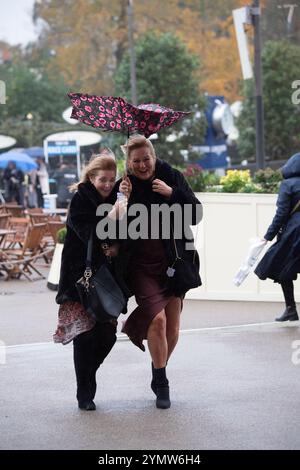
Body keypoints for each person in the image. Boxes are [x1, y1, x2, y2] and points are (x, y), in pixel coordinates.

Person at [118, 134, 202, 409]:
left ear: (154, 156)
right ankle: (163, 381)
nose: (142, 165)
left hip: (173, 262)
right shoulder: (125, 185)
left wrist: (172, 193)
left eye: (146, 159)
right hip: (141, 266)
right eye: (136, 161)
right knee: (158, 321)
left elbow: (196, 214)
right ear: (129, 163)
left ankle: (157, 370)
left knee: (174, 328)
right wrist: (124, 202)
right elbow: (115, 227)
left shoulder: (172, 177)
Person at [53, 151, 129, 411]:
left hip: (106, 280)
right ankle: (84, 393)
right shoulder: (80, 200)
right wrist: (111, 218)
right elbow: (87, 233)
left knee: (107, 336)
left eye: (111, 179)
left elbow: (127, 235)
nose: (107, 184)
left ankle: (88, 375)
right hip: (80, 279)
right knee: (84, 338)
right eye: (102, 180)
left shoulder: (120, 199)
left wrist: (118, 245)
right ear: (91, 178)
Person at [255, 153, 300, 322]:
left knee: (281, 268)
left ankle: (291, 309)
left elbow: (281, 214)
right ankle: (290, 311)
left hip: (294, 234)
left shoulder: (288, 185)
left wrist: (268, 236)